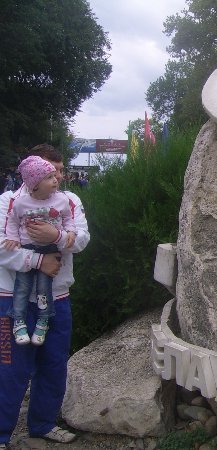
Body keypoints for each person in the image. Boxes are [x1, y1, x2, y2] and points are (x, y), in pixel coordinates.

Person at [0, 144, 90, 448]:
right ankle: (1, 434)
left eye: (60, 171)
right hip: (12, 297)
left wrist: (57, 237)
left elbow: (82, 238)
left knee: (54, 364)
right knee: (11, 368)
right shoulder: (8, 202)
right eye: (53, 171)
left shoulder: (70, 200)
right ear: (33, 174)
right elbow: (1, 246)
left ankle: (42, 424)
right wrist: (39, 261)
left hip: (58, 295)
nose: (59, 177)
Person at [4, 156, 77, 346]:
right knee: (22, 287)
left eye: (56, 174)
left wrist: (67, 233)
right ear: (35, 184)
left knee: (44, 288)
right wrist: (13, 238)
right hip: (27, 249)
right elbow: (12, 221)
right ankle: (18, 321)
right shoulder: (18, 202)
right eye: (50, 176)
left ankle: (43, 320)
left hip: (50, 250)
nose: (56, 179)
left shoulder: (63, 199)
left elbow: (69, 220)